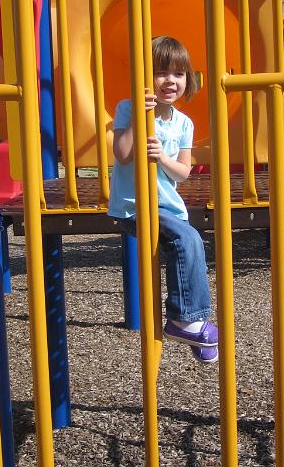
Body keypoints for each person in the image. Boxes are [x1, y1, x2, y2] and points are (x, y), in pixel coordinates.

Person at [108, 36, 218, 364]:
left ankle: (189, 324)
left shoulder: (184, 123)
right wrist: (140, 118)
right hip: (135, 206)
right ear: (145, 78)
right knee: (188, 239)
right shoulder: (128, 108)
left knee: (188, 245)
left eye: (178, 74)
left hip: (168, 207)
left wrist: (162, 158)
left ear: (188, 79)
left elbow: (183, 172)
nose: (170, 80)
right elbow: (122, 154)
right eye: (160, 72)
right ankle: (185, 320)